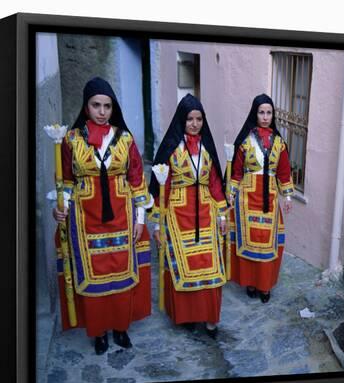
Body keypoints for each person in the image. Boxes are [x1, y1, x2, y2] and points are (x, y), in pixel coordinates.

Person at [53, 77, 152, 355]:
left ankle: (120, 327)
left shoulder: (125, 139)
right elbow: (66, 182)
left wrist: (140, 220)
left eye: (107, 106)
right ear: (86, 107)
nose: (102, 111)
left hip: (121, 217)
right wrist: (60, 207)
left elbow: (136, 180)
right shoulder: (70, 140)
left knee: (121, 276)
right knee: (93, 279)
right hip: (86, 220)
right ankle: (98, 332)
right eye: (96, 105)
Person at [149, 94, 227, 339]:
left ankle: (211, 318)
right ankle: (188, 317)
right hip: (177, 213)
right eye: (190, 119)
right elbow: (164, 186)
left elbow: (215, 183)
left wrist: (223, 215)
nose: (194, 123)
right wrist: (157, 224)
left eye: (199, 119)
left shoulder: (207, 148)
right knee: (182, 267)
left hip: (206, 212)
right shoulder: (172, 149)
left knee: (211, 267)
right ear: (181, 120)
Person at [228, 94, 294, 303]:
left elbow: (284, 171)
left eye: (269, 113)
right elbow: (237, 171)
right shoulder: (245, 142)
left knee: (267, 244)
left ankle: (265, 286)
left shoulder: (279, 143)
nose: (265, 117)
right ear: (254, 114)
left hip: (270, 199)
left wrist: (288, 196)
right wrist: (230, 193)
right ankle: (251, 282)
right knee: (249, 242)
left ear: (273, 115)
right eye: (261, 112)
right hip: (247, 199)